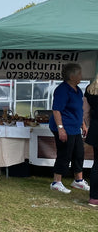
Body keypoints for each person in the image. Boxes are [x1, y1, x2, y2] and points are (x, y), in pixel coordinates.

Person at [49, 63, 89, 193]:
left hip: (74, 127)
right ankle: (56, 181)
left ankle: (78, 180)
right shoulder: (62, 90)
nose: (81, 76)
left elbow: (79, 109)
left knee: (79, 153)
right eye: (79, 74)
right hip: (64, 127)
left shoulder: (78, 90)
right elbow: (56, 110)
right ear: (72, 76)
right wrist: (61, 128)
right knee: (64, 153)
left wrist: (83, 124)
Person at [83, 74, 98, 207]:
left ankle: (94, 197)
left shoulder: (90, 89)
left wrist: (89, 125)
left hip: (96, 129)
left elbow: (85, 112)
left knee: (96, 164)